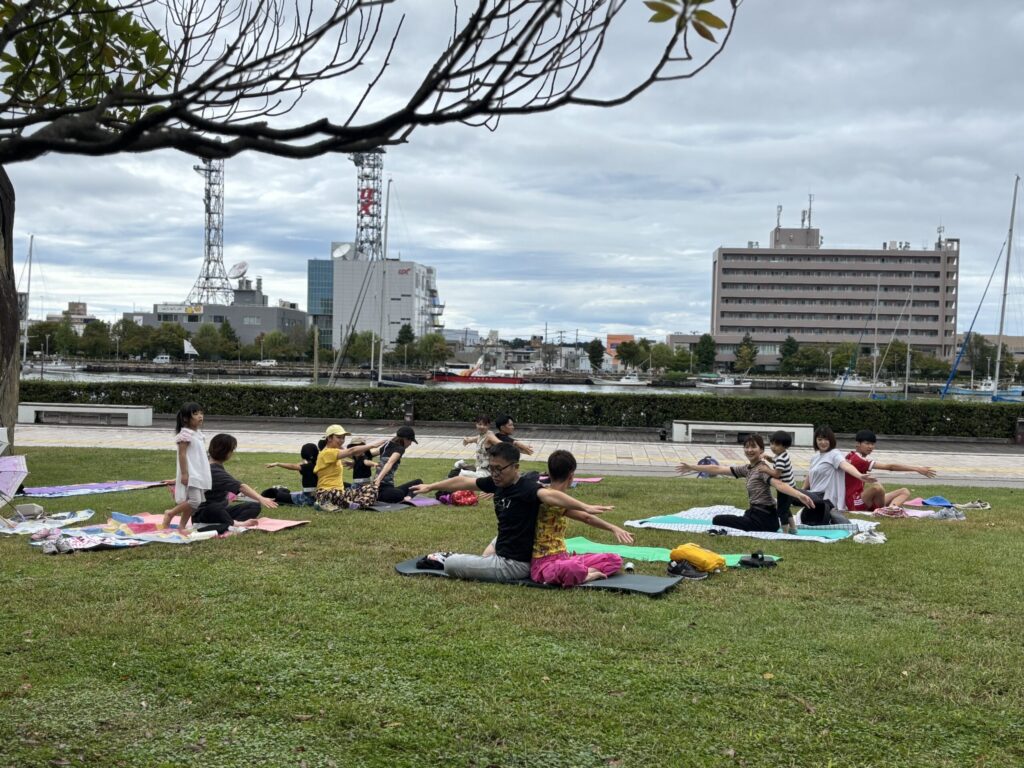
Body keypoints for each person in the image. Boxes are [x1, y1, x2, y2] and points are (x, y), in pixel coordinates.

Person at [410, 442, 614, 583]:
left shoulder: (527, 488)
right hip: (504, 544)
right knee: (493, 544)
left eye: (499, 469)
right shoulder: (497, 482)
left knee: (452, 564)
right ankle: (483, 561)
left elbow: (551, 496)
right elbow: (463, 481)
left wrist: (585, 506)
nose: (494, 474)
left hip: (514, 564)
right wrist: (430, 486)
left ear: (515, 467)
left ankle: (449, 558)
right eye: (491, 468)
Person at [531, 450, 633, 586]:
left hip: (563, 557)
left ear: (549, 473)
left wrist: (613, 528)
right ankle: (584, 574)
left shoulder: (559, 500)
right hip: (544, 564)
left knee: (614, 559)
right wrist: (611, 527)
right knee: (572, 568)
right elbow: (586, 516)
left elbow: (586, 517)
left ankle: (582, 572)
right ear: (571, 476)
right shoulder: (546, 496)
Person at [677, 435, 813, 533]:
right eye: (746, 447)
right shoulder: (747, 469)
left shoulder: (762, 469)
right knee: (728, 519)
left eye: (753, 447)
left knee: (718, 519)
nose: (749, 450)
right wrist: (692, 467)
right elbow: (718, 469)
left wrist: (799, 495)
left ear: (761, 450)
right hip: (755, 513)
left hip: (764, 518)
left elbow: (779, 484)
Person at [193, 433, 279, 534]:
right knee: (215, 507)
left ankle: (227, 524)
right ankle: (233, 525)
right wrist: (260, 498)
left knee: (254, 506)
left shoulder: (210, 465)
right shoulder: (214, 470)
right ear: (226, 452)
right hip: (205, 514)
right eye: (232, 450)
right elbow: (241, 487)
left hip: (221, 512)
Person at [845, 429, 937, 512]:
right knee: (877, 488)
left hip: (861, 499)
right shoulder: (858, 459)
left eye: (872, 444)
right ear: (858, 444)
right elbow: (890, 467)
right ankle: (883, 511)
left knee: (904, 491)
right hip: (854, 502)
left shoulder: (851, 455)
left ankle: (891, 509)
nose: (870, 447)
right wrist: (917, 469)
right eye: (867, 443)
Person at [801, 425, 874, 524]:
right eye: (820, 439)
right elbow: (810, 475)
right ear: (815, 441)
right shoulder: (815, 457)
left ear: (831, 440)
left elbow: (845, 465)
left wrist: (859, 475)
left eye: (826, 439)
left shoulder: (834, 454)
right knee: (790, 494)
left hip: (826, 499)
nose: (823, 442)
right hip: (814, 496)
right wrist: (802, 492)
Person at [162, 402, 212, 531]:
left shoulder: (199, 434)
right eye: (195, 414)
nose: (200, 416)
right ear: (185, 418)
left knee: (195, 501)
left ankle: (182, 526)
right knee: (195, 501)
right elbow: (182, 455)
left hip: (199, 471)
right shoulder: (185, 434)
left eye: (201, 413)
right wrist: (184, 474)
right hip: (191, 472)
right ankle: (170, 513)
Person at [313, 425, 383, 510]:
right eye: (339, 437)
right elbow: (351, 451)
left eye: (343, 438)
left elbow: (356, 455)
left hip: (341, 493)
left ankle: (348, 504)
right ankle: (328, 502)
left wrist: (355, 463)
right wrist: (372, 445)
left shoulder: (335, 451)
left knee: (372, 489)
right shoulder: (327, 453)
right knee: (337, 494)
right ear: (329, 438)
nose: (342, 440)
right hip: (327, 492)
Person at [373, 426, 423, 503]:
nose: (410, 444)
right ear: (405, 439)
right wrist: (378, 480)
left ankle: (408, 497)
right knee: (399, 494)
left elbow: (370, 454)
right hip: (380, 487)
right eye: (410, 441)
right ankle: (378, 496)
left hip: (387, 488)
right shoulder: (400, 449)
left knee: (418, 482)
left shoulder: (387, 445)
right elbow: (389, 463)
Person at [768, 430, 797, 529]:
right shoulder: (782, 455)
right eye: (771, 443)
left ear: (785, 446)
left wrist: (766, 470)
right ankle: (793, 528)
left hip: (786, 490)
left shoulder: (781, 458)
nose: (773, 447)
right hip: (789, 487)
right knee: (785, 508)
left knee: (781, 511)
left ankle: (785, 531)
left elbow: (776, 474)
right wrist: (768, 458)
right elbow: (774, 460)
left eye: (776, 445)